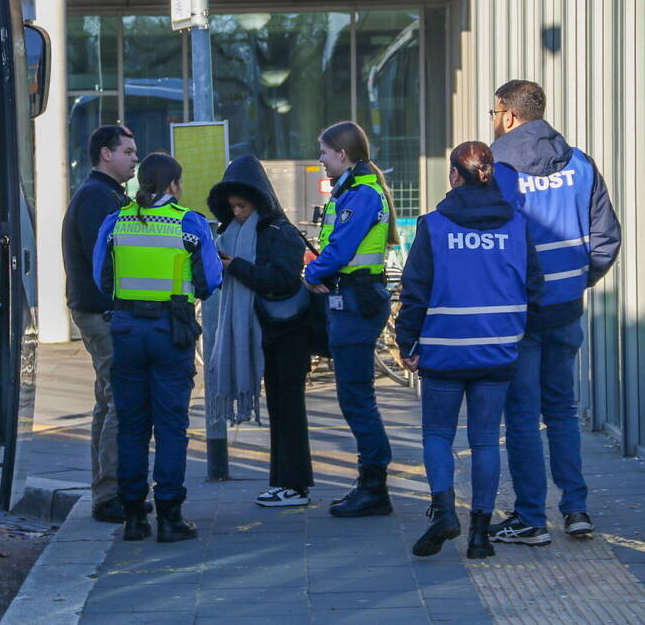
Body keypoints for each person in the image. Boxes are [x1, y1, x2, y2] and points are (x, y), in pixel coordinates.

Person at [487, 80, 621, 544]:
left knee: (522, 416)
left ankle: (530, 518)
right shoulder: (580, 164)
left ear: (506, 114)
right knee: (561, 411)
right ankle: (576, 510)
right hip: (565, 309)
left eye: (493, 113)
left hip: (518, 314)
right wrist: (576, 283)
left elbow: (491, 246)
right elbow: (606, 240)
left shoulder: (498, 170)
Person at [396, 141, 544, 559]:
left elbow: (415, 292)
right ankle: (480, 536)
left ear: (455, 175)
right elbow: (534, 287)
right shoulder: (517, 224)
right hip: (497, 350)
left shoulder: (434, 225)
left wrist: (407, 342)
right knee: (484, 442)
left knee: (438, 435)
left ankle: (444, 511)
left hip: (443, 349)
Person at [93, 153, 222, 542]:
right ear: (173, 186)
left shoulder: (115, 222)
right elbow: (210, 280)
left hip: (128, 331)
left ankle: (134, 517)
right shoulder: (190, 223)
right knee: (170, 428)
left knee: (131, 428)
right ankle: (170, 517)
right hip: (172, 331)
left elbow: (102, 278)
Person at [304, 121, 400, 518]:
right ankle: (370, 481)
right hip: (353, 299)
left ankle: (374, 485)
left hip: (356, 302)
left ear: (342, 154)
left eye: (325, 152)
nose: (321, 160)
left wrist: (312, 274)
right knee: (355, 396)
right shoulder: (355, 190)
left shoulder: (360, 195)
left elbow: (340, 249)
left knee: (356, 398)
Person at [206, 155, 314, 507]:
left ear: (259, 201)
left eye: (242, 205)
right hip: (267, 334)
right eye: (232, 206)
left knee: (289, 408)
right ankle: (283, 482)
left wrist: (236, 266)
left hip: (288, 332)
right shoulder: (234, 234)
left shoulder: (281, 233)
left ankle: (294, 485)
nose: (236, 212)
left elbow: (281, 280)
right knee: (279, 409)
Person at [60, 125, 138, 523]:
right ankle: (110, 495)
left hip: (97, 309)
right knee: (120, 400)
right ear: (105, 154)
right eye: (128, 151)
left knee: (108, 400)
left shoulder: (103, 195)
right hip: (103, 311)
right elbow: (107, 259)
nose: (134, 159)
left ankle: (106, 489)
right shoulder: (97, 198)